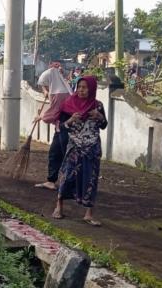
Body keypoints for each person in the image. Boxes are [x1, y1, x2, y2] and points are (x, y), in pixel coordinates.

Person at [52, 75, 108, 226]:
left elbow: (104, 125)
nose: (81, 90)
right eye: (79, 87)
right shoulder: (68, 104)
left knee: (91, 179)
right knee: (67, 176)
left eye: (85, 87)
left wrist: (99, 116)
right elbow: (61, 126)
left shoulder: (97, 106)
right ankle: (59, 206)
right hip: (75, 147)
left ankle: (88, 214)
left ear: (91, 89)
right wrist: (70, 120)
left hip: (92, 148)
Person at [34, 63, 72, 190]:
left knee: (66, 155)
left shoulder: (58, 93)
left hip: (66, 127)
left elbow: (54, 112)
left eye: (45, 85)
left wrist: (41, 117)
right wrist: (46, 92)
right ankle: (51, 181)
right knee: (55, 153)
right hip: (60, 127)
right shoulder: (62, 89)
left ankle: (71, 184)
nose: (45, 88)